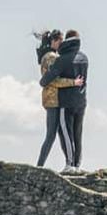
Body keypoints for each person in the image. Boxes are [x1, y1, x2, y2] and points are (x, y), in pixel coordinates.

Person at [39, 29, 88, 172]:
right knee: (72, 133)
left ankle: (68, 164)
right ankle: (75, 164)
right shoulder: (83, 57)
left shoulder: (61, 58)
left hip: (62, 101)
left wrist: (72, 82)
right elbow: (51, 80)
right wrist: (73, 82)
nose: (61, 43)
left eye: (62, 40)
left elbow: (47, 80)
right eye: (59, 40)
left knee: (60, 134)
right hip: (71, 100)